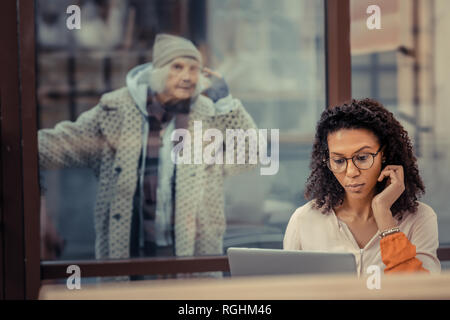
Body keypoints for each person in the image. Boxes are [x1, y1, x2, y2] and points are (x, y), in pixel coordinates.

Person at [39, 33, 257, 263]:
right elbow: (54, 146)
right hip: (130, 257)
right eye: (178, 67)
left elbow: (250, 157)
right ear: (159, 71)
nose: (187, 77)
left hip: (195, 256)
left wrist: (225, 101)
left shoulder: (209, 112)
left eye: (194, 69)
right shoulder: (115, 110)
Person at [283, 98, 441, 277]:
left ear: (384, 154)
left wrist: (383, 214)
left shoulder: (419, 219)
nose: (351, 172)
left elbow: (421, 293)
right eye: (339, 161)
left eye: (363, 158)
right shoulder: (304, 221)